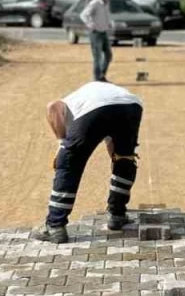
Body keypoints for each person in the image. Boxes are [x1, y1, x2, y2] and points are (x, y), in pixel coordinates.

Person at [40, 80, 144, 243]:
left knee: (68, 165)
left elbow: (52, 107)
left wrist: (62, 144)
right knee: (124, 160)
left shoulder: (71, 102)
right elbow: (114, 153)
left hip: (96, 110)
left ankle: (55, 226)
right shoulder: (94, 94)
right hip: (131, 106)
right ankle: (117, 215)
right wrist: (119, 160)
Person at [81, 0, 113, 81]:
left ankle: (101, 75)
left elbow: (106, 15)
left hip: (104, 32)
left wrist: (109, 23)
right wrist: (91, 25)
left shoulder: (106, 2)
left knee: (108, 55)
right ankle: (96, 78)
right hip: (95, 33)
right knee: (97, 57)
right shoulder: (95, 3)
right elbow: (83, 15)